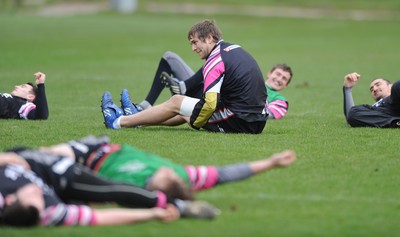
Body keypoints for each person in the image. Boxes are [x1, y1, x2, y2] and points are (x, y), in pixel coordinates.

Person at [101, 19, 268, 134]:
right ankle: (135, 119)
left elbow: (210, 103)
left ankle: (118, 122)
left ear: (209, 38)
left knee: (178, 102)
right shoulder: (234, 49)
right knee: (184, 109)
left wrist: (195, 121)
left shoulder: (215, 60)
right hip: (257, 120)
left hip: (240, 120)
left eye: (195, 42)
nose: (193, 48)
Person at [0, 147, 220, 227]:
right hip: (59, 177)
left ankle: (175, 203)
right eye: (38, 198)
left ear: (10, 199)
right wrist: (152, 214)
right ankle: (178, 206)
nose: (36, 191)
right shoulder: (51, 213)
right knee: (109, 191)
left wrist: (7, 157)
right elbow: (101, 218)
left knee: (109, 188)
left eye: (30, 194)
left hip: (39, 162)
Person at [38, 135, 296, 200]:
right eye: (169, 173)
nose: (167, 170)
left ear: (154, 187)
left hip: (81, 160)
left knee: (34, 158)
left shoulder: (131, 189)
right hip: (101, 145)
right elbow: (227, 173)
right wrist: (271, 163)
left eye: (163, 176)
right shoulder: (184, 176)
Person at [135, 51, 293, 120]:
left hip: (213, 102)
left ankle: (182, 87)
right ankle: (145, 106)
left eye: (284, 79)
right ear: (269, 73)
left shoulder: (279, 100)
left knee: (218, 62)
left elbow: (268, 115)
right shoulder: (250, 79)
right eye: (278, 74)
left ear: (285, 85)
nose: (279, 79)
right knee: (169, 57)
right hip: (205, 88)